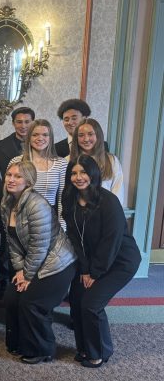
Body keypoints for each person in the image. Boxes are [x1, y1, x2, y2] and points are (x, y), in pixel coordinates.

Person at [62, 155, 140, 368]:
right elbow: (74, 237)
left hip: (120, 261)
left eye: (83, 172)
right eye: (74, 173)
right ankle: (84, 348)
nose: (79, 177)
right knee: (77, 300)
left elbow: (111, 241)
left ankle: (99, 352)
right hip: (91, 262)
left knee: (91, 304)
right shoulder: (69, 198)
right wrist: (86, 270)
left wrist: (95, 273)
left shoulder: (108, 201)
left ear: (93, 173)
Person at [1, 161, 76, 364]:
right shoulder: (6, 203)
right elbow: (12, 241)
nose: (11, 179)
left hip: (58, 263)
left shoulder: (37, 204)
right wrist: (19, 270)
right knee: (11, 297)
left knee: (31, 302)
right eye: (9, 175)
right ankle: (18, 343)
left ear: (28, 181)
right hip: (34, 263)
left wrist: (28, 275)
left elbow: (39, 246)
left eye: (17, 176)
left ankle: (43, 349)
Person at [0, 107, 35, 297]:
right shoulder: (1, 146)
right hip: (9, 204)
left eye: (27, 122)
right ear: (13, 123)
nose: (23, 125)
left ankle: (32, 282)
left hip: (34, 205)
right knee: (8, 245)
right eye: (19, 121)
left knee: (33, 245)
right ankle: (5, 283)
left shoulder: (41, 144)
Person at [8, 120, 67, 228]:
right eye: (35, 135)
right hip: (21, 219)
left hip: (49, 220)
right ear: (29, 137)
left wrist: (62, 225)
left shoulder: (61, 163)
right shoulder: (16, 161)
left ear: (51, 138)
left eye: (45, 135)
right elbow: (8, 196)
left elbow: (63, 199)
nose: (40, 138)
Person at [70, 118, 124, 205]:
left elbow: (117, 193)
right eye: (81, 135)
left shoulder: (112, 161)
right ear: (76, 138)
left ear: (98, 136)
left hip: (106, 213)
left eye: (90, 134)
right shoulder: (67, 160)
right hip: (77, 214)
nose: (86, 139)